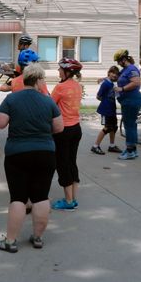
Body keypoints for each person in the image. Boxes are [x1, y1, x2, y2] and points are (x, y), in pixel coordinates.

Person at [0, 64, 63, 253]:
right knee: (40, 197)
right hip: (45, 153)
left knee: (18, 198)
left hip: (17, 153)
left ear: (24, 79)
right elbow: (59, 128)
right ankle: (38, 238)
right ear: (39, 80)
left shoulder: (12, 99)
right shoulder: (48, 102)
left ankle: (10, 241)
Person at [50, 58, 83, 211]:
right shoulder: (77, 86)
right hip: (76, 129)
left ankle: (68, 202)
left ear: (67, 71)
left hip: (63, 130)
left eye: (60, 69)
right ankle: (74, 198)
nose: (58, 71)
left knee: (62, 164)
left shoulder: (60, 87)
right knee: (71, 162)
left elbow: (50, 105)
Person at [113, 49, 141, 160]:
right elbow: (116, 77)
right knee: (131, 124)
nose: (117, 63)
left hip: (132, 100)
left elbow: (136, 83)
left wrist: (122, 88)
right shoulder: (125, 70)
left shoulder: (131, 69)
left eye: (118, 61)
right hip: (127, 100)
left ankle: (130, 150)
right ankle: (133, 150)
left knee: (129, 125)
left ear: (124, 59)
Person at [91, 66, 122, 155]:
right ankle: (95, 146)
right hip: (106, 109)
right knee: (107, 128)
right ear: (109, 73)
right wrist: (105, 101)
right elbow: (98, 96)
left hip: (112, 109)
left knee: (114, 127)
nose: (114, 75)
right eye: (112, 73)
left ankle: (112, 146)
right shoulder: (105, 84)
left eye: (116, 74)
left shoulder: (111, 83)